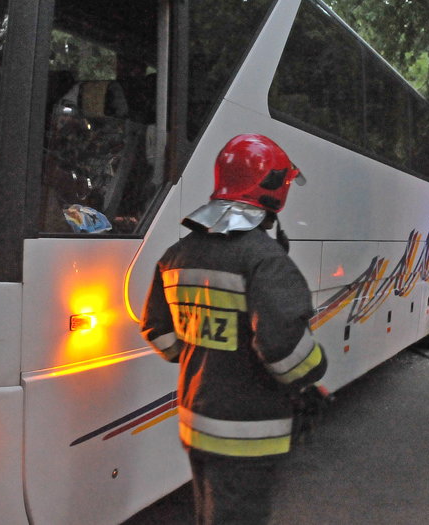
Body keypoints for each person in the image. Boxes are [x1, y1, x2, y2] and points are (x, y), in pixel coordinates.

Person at [140, 134, 328, 525]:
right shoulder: (265, 260)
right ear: (273, 189)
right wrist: (314, 373)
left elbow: (158, 332)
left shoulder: (177, 254)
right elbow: (284, 351)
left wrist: (205, 354)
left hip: (197, 421)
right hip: (247, 432)